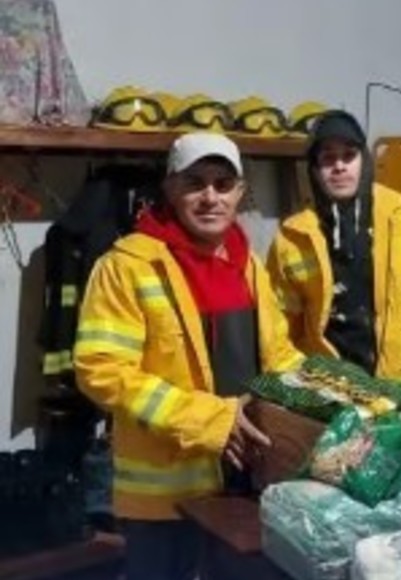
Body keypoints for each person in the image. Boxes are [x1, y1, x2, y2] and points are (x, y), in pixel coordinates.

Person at [74, 132, 305, 580]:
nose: (210, 197)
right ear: (170, 188)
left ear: (240, 192)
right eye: (195, 182)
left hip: (246, 483)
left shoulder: (249, 264)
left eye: (223, 183)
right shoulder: (127, 266)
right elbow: (101, 370)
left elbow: (279, 357)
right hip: (164, 501)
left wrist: (322, 401)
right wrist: (210, 420)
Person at [266, 110, 401, 413]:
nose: (339, 166)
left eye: (348, 155)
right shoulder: (291, 239)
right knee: (340, 462)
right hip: (336, 397)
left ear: (363, 161)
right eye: (327, 158)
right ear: (314, 170)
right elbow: (283, 326)